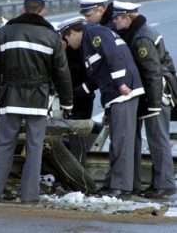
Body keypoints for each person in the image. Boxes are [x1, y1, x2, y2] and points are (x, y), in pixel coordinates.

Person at [0, 0, 73, 203]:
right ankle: (29, 196)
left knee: (4, 144)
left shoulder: (5, 32)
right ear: (43, 11)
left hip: (10, 97)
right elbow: (62, 71)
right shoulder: (51, 36)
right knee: (35, 147)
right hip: (39, 99)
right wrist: (67, 101)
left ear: (23, 10)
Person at [59, 16, 144, 197]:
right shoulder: (89, 40)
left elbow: (113, 55)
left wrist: (121, 83)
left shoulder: (93, 33)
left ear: (72, 33)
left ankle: (120, 187)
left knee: (122, 142)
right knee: (118, 141)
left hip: (123, 92)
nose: (68, 45)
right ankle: (115, 183)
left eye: (65, 40)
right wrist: (106, 109)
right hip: (115, 96)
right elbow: (100, 77)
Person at [112, 1, 176, 198]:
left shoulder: (141, 39)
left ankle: (165, 183)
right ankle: (159, 183)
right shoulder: (138, 32)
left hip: (157, 94)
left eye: (117, 18)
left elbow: (152, 73)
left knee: (158, 139)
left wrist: (154, 105)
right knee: (157, 139)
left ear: (127, 18)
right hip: (155, 92)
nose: (114, 22)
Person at [58, 17, 96, 166]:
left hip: (82, 98)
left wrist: (78, 92)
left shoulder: (86, 46)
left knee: (77, 135)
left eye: (63, 38)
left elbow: (95, 76)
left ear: (71, 34)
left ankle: (78, 171)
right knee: (71, 135)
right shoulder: (71, 49)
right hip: (71, 97)